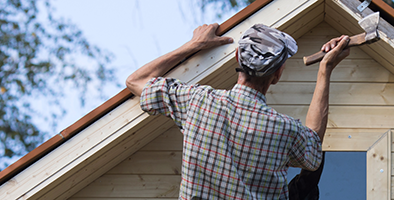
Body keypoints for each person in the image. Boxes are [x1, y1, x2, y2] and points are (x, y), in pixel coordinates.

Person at [125, 23, 351, 200]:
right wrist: (325, 69)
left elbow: (136, 80)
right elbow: (312, 153)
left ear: (236, 57)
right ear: (277, 74)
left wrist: (195, 45)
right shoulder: (285, 130)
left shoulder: (196, 101)